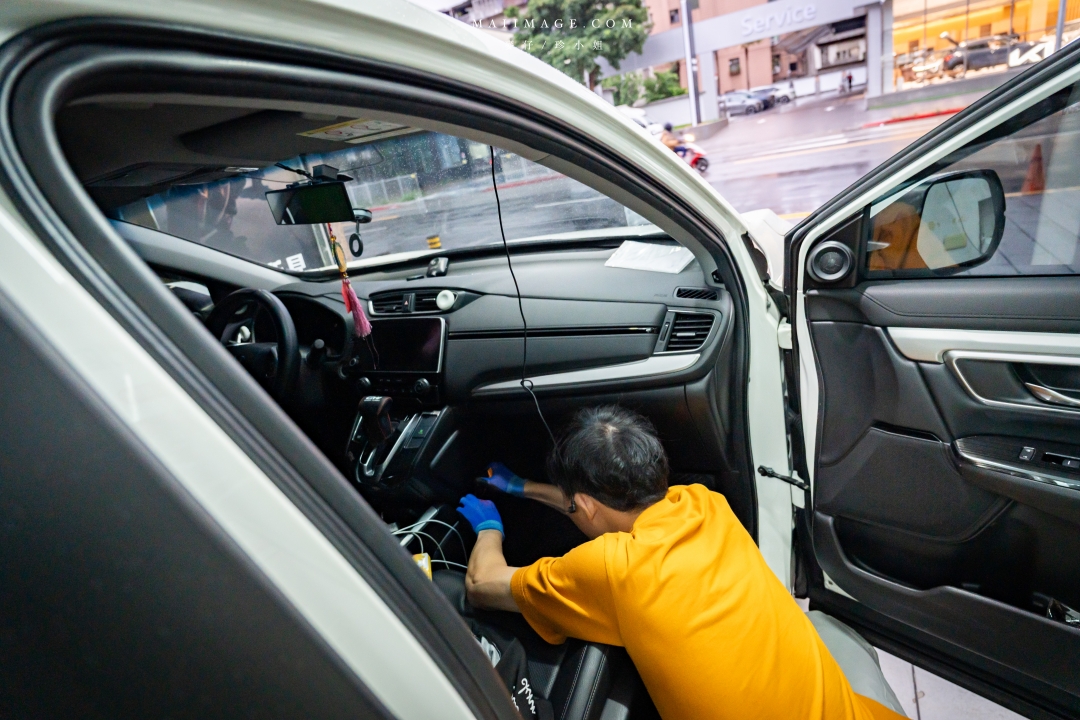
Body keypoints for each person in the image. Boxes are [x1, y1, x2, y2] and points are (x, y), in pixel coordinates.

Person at [457, 405, 906, 720]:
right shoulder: (705, 504)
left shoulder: (612, 568)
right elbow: (604, 507)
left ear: (588, 507)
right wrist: (526, 488)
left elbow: (481, 583)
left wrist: (489, 526)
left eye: (577, 505)